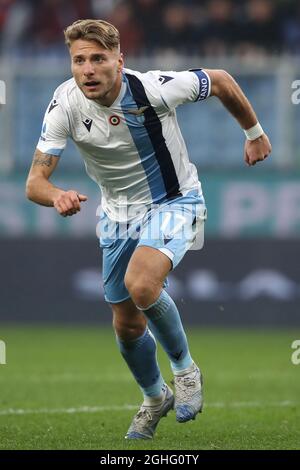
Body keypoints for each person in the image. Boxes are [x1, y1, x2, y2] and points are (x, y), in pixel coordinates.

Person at [25, 19, 272, 440]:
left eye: (98, 59)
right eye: (79, 60)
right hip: (117, 214)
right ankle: (155, 397)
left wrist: (254, 133)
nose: (88, 69)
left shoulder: (154, 88)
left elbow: (222, 80)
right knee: (126, 323)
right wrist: (57, 196)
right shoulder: (64, 104)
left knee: (141, 285)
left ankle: (185, 370)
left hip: (175, 200)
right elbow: (35, 183)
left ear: (119, 61)